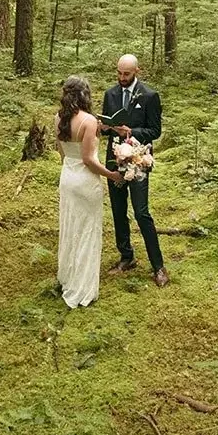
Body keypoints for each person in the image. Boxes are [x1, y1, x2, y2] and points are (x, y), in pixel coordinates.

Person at [100, 54, 168, 287]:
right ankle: (126, 256)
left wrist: (131, 131)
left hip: (139, 160)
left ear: (137, 71)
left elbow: (155, 131)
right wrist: (105, 127)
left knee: (141, 212)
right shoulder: (110, 94)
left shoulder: (149, 96)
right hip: (114, 159)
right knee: (118, 209)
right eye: (119, 73)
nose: (121, 78)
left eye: (126, 74)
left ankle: (158, 266)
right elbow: (107, 128)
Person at [56, 76, 122, 308]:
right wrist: (112, 175)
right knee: (87, 230)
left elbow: (62, 152)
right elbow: (88, 160)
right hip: (85, 181)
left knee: (70, 226)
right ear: (85, 95)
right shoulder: (88, 121)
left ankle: (67, 276)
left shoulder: (59, 118)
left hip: (67, 176)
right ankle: (82, 286)